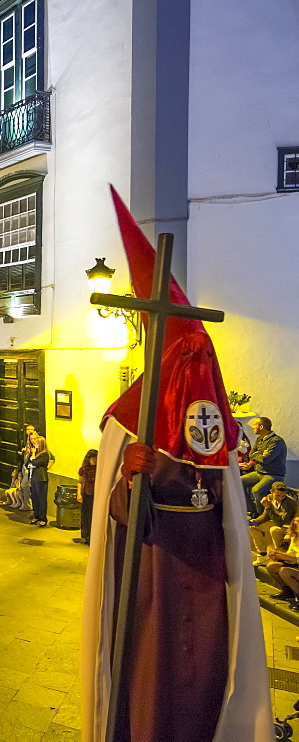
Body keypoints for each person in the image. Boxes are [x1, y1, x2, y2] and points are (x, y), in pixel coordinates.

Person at [81, 189, 270, 741]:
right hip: (151, 576)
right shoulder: (128, 419)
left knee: (207, 683)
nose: (195, 365)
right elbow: (113, 514)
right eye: (185, 355)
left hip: (209, 577)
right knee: (150, 685)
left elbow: (234, 508)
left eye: (201, 354)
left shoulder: (214, 425)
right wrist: (129, 478)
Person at [240, 417, 287, 516]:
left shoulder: (276, 441)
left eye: (254, 425)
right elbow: (251, 454)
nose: (252, 427)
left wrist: (259, 455)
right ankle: (253, 510)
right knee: (238, 482)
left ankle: (262, 515)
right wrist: (260, 454)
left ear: (261, 427)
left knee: (257, 490)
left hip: (273, 474)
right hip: (259, 472)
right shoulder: (260, 439)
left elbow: (266, 460)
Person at [249, 481, 297, 565]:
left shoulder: (289, 502)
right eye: (277, 495)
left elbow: (281, 522)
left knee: (274, 530)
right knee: (253, 527)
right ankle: (262, 554)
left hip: (289, 526)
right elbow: (266, 515)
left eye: (283, 496)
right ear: (271, 491)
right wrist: (257, 521)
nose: (280, 498)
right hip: (278, 522)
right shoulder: (269, 498)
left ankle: (278, 556)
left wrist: (268, 507)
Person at [264, 517, 299, 601]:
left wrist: (279, 555)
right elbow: (290, 555)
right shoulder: (295, 537)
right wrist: (275, 554)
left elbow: (296, 559)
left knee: (284, 571)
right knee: (271, 566)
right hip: (296, 565)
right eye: (296, 525)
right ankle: (288, 592)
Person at [28, 436, 53, 527]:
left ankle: (43, 518)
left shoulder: (45, 454)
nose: (34, 444)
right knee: (34, 497)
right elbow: (28, 462)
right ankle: (36, 516)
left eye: (36, 443)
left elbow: (34, 463)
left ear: (41, 444)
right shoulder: (37, 453)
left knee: (41, 498)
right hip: (34, 477)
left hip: (41, 478)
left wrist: (33, 456)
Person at [75, 449, 98, 545]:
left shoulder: (99, 469)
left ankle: (93, 536)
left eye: (96, 458)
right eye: (93, 458)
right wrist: (79, 493)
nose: (95, 460)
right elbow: (80, 482)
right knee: (86, 515)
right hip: (87, 494)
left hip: (96, 495)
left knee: (93, 516)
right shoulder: (84, 469)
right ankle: (86, 535)